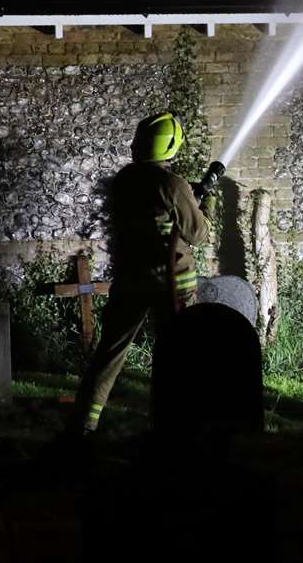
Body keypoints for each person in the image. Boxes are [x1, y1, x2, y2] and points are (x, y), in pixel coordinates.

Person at [72, 110, 211, 433]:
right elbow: (198, 234)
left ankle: (84, 423)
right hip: (172, 286)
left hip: (130, 280)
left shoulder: (124, 180)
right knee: (178, 357)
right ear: (172, 145)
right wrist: (205, 204)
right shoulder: (172, 184)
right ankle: (174, 426)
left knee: (110, 353)